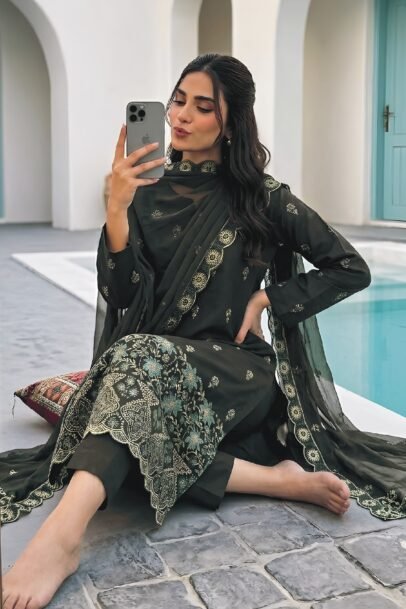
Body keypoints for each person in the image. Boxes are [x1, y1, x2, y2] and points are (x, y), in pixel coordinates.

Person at [1, 53, 405, 609]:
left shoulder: (263, 198)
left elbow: (349, 267)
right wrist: (116, 210)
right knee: (133, 413)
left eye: (203, 106)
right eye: (177, 100)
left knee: (119, 401)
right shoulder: (143, 192)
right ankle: (276, 481)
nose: (181, 116)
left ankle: (60, 539)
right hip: (150, 368)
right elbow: (122, 296)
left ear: (232, 122)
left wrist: (269, 298)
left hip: (235, 373)